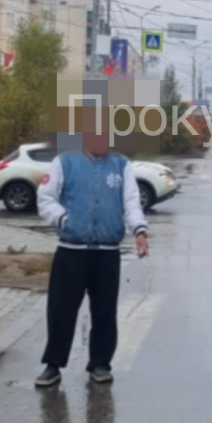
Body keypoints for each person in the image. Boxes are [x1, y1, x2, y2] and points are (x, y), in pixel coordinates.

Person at [35, 120, 150, 387]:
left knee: (105, 311)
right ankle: (53, 365)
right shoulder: (65, 162)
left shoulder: (121, 165)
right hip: (71, 250)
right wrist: (63, 219)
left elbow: (131, 202)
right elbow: (45, 197)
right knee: (61, 311)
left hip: (107, 253)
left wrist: (140, 231)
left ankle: (100, 364)